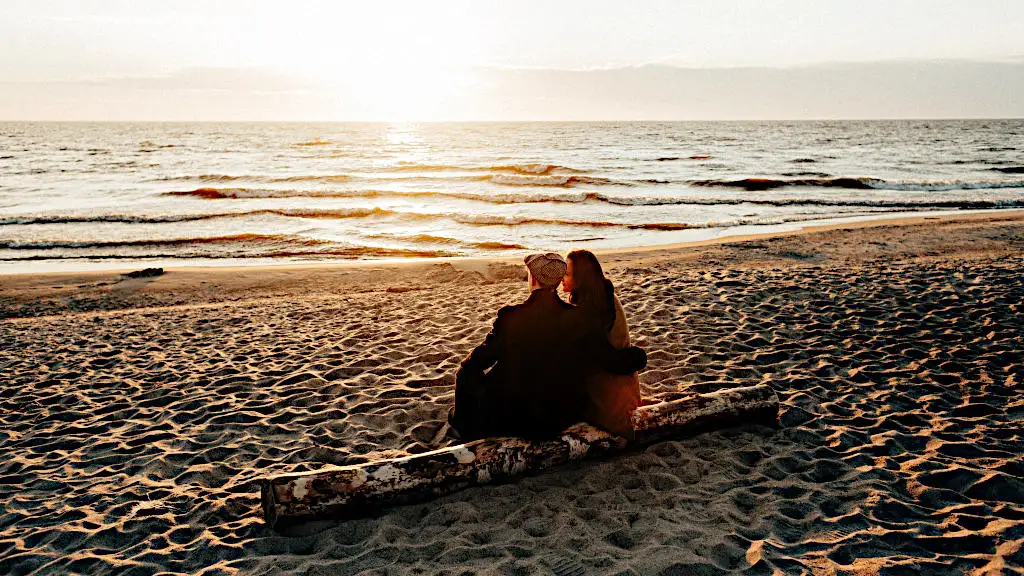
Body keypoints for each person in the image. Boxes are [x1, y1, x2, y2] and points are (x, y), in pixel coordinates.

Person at [450, 252, 645, 441]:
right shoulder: (576, 317)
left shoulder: (510, 316)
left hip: (519, 418)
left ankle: (463, 427)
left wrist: (469, 367)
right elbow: (606, 356)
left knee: (465, 371)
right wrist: (638, 356)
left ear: (533, 279)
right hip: (560, 416)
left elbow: (479, 361)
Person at [562, 249, 642, 438]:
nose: (561, 278)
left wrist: (639, 357)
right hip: (625, 388)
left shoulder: (592, 311)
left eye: (566, 273)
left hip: (613, 400)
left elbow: (608, 359)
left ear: (581, 278)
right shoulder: (605, 296)